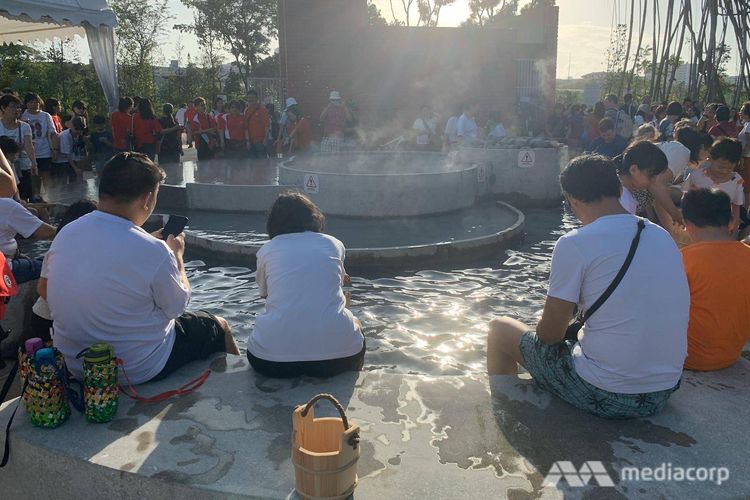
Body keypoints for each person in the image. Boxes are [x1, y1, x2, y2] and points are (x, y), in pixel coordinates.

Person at [486, 154, 689, 419]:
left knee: (500, 328)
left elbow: (549, 336)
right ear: (619, 188)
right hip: (664, 389)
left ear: (572, 201)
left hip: (608, 394)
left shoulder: (574, 243)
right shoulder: (659, 234)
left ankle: (510, 412)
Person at [45, 152, 240, 383]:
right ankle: (241, 388)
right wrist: (176, 257)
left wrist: (150, 244)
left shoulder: (66, 233)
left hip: (77, 364)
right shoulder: (154, 251)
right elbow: (177, 308)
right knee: (218, 325)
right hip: (137, 367)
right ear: (147, 199)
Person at [247, 192, 364, 378]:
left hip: (271, 362)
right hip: (341, 358)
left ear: (273, 223)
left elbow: (265, 295)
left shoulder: (267, 250)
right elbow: (339, 283)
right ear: (314, 218)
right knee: (355, 321)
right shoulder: (334, 244)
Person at [680, 189, 750, 373]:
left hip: (687, 357)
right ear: (731, 222)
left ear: (687, 224)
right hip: (730, 356)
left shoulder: (683, 259)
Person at [32, 199, 98, 341]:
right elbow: (42, 287)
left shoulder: (83, 247)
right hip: (48, 319)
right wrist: (67, 312)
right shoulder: (59, 249)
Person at [683, 138, 745, 232]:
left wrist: (734, 229)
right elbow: (685, 198)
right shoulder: (696, 176)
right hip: (698, 223)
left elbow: (736, 206)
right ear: (710, 158)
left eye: (730, 168)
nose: (724, 171)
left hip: (722, 226)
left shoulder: (736, 180)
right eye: (721, 167)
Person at [0, 184, 56, 284]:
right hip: (6, 271)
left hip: (9, 258)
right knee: (57, 264)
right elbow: (46, 233)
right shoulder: (6, 205)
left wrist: (16, 254)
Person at [0, 94, 37, 201]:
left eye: (18, 107)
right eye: (12, 107)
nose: (16, 110)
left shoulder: (25, 126)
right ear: (3, 108)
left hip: (23, 166)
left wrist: (34, 163)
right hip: (4, 167)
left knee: (26, 196)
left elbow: (29, 146)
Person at [21, 93, 56, 197]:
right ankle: (37, 197)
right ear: (26, 104)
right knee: (34, 177)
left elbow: (53, 133)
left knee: (46, 176)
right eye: (31, 102)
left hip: (45, 151)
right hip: (30, 152)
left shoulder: (45, 115)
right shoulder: (22, 115)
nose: (34, 104)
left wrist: (54, 149)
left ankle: (49, 197)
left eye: (36, 102)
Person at [52, 116, 87, 183]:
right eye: (76, 129)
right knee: (63, 183)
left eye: (81, 129)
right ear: (72, 126)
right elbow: (67, 154)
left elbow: (81, 152)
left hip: (73, 160)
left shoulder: (80, 136)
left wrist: (82, 166)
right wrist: (76, 168)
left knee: (76, 182)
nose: (79, 131)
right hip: (62, 161)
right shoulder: (65, 136)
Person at [244, 89, 270, 159]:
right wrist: (247, 141)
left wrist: (265, 139)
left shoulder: (263, 110)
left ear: (256, 98)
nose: (250, 99)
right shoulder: (246, 111)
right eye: (249, 98)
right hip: (251, 142)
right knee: (252, 164)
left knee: (262, 163)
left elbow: (267, 126)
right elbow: (246, 128)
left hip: (261, 142)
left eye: (252, 97)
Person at [739, 101, 750, 207]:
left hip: (746, 159)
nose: (740, 112)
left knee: (746, 186)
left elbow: (748, 144)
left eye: (742, 110)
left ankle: (745, 210)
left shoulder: (749, 125)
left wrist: (742, 157)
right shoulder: (746, 124)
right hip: (746, 158)